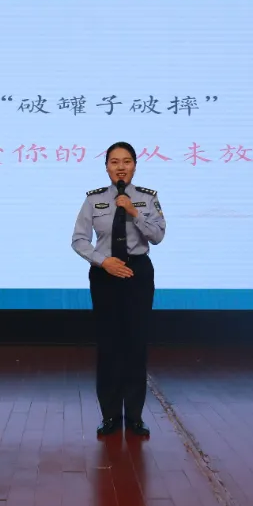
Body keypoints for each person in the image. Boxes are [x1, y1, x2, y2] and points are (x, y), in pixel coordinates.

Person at [71, 141, 166, 438]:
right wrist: (103, 262)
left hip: (138, 272)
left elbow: (158, 235)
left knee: (135, 344)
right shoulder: (94, 200)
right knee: (109, 345)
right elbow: (79, 240)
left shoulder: (147, 198)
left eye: (126, 161)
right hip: (105, 274)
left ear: (134, 166)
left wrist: (134, 213)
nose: (120, 167)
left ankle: (135, 417)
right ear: (107, 167)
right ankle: (110, 415)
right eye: (114, 162)